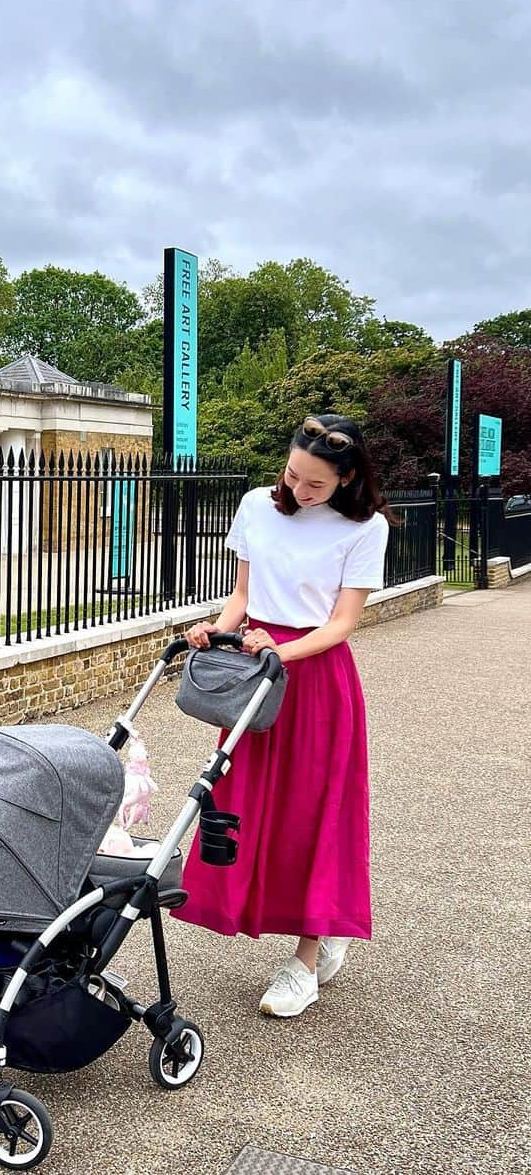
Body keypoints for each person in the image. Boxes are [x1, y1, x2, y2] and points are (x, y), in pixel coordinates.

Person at [171, 413, 397, 1018]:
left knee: (311, 813)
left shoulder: (365, 528)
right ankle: (303, 932)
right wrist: (214, 632)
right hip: (255, 674)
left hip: (317, 681)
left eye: (316, 485)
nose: (300, 491)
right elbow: (242, 599)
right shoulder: (255, 506)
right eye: (294, 475)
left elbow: (343, 624)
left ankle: (306, 957)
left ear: (347, 479)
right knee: (244, 806)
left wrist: (279, 651)